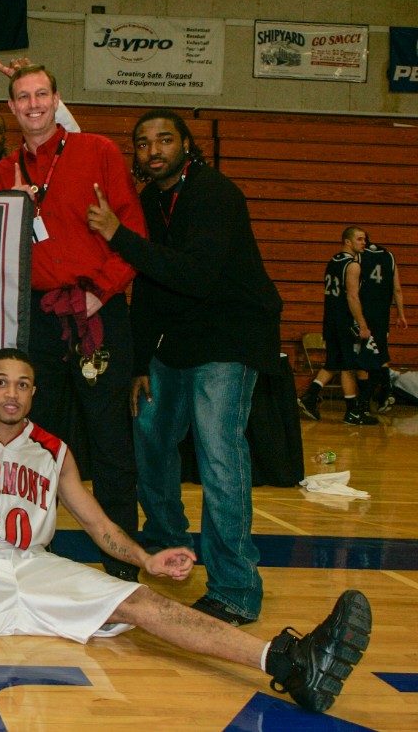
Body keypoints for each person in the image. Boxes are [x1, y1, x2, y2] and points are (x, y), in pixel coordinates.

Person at [0, 348, 372, 721]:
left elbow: (99, 525)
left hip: (32, 565)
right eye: (1, 381)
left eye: (21, 384)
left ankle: (291, 663)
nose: (11, 392)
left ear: (34, 392)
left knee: (142, 600)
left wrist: (146, 560)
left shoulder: (54, 451)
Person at [86, 110, 282, 625]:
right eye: (144, 142)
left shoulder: (216, 194)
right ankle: (167, 542)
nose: (154, 150)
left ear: (187, 145)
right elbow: (147, 285)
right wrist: (140, 361)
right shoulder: (149, 200)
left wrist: (116, 235)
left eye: (165, 139)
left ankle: (236, 587)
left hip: (230, 339)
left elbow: (195, 275)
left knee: (220, 458)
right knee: (150, 436)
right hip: (174, 345)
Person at [0, 64, 146, 580]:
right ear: (11, 108)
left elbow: (132, 230)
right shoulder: (2, 172)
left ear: (57, 99)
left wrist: (102, 292)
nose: (32, 105)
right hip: (38, 318)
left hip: (96, 310)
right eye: (22, 97)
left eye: (41, 94)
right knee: (39, 440)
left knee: (109, 440)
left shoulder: (96, 151)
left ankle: (122, 563)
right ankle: (34, 555)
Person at [298, 227, 378, 425]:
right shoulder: (352, 265)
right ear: (347, 242)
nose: (364, 243)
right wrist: (362, 324)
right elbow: (352, 297)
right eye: (359, 239)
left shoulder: (333, 261)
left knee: (333, 363)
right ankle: (352, 412)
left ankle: (309, 397)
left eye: (364, 240)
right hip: (344, 321)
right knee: (348, 367)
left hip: (330, 320)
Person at [358, 239, 408, 412]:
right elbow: (397, 289)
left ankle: (365, 400)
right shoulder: (389, 256)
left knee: (364, 358)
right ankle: (385, 393)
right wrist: (400, 315)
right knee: (381, 353)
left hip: (363, 314)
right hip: (382, 315)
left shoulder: (359, 256)